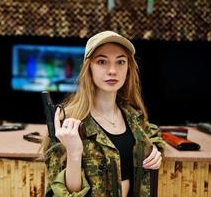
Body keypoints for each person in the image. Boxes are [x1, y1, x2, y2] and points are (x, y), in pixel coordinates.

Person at [43, 31, 165, 197]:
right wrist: (73, 153)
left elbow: (152, 133)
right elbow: (61, 193)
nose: (113, 70)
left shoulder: (133, 115)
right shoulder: (68, 124)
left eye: (120, 62)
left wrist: (156, 149)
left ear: (128, 68)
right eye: (102, 61)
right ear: (89, 68)